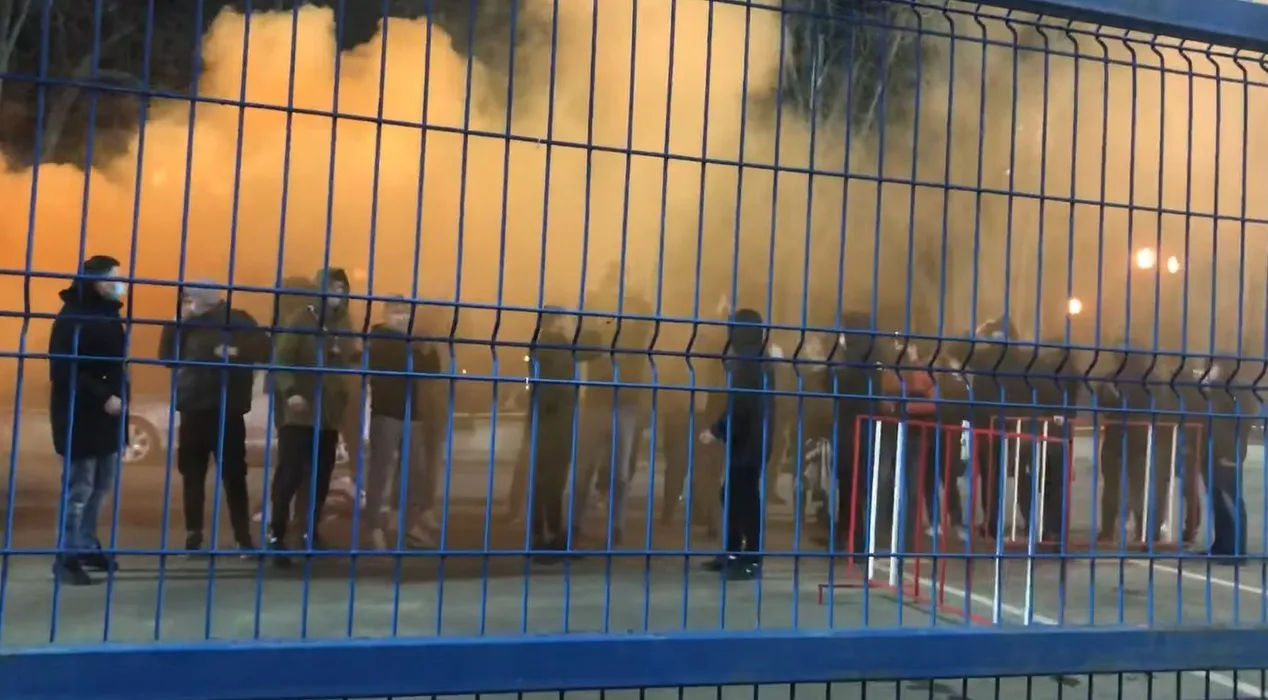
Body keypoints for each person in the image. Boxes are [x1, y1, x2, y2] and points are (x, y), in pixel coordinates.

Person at [158, 283, 269, 555]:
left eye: (190, 298)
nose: (187, 304)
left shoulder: (238, 320)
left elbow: (265, 349)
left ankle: (242, 536)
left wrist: (234, 352)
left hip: (227, 408)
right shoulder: (184, 324)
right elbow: (167, 357)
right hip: (193, 407)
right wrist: (174, 325)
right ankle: (194, 534)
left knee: (234, 476)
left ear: (205, 299)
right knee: (192, 474)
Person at [267, 267, 358, 566]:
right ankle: (277, 536)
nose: (338, 295)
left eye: (342, 289)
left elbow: (347, 359)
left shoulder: (343, 324)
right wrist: (291, 391)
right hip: (300, 413)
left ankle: (308, 532)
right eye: (333, 288)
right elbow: (282, 360)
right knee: (289, 476)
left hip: (329, 414)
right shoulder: (301, 319)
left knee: (319, 477)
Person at [48, 254, 129, 585]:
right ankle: (66, 555)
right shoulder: (73, 317)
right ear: (97, 282)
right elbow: (64, 368)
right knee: (79, 488)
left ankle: (85, 543)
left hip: (107, 417)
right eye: (114, 278)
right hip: (79, 415)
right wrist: (102, 395)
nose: (120, 284)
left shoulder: (108, 314)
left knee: (100, 486)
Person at [572, 268, 654, 545]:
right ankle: (576, 523)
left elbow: (644, 321)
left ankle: (615, 526)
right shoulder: (597, 319)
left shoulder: (636, 320)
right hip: (599, 400)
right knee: (585, 469)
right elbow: (581, 348)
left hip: (623, 403)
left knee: (618, 473)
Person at [698, 308, 775, 580]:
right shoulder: (756, 358)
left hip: (748, 441)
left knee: (744, 499)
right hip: (752, 438)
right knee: (733, 495)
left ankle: (750, 558)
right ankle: (733, 553)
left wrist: (717, 430)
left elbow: (740, 404)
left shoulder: (748, 361)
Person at [362, 298, 443, 550]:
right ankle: (374, 527)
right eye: (396, 312)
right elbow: (403, 364)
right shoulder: (379, 340)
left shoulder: (411, 342)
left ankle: (405, 524)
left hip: (411, 413)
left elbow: (431, 370)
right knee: (380, 471)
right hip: (386, 412)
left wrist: (427, 349)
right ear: (386, 314)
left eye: (406, 312)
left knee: (413, 471)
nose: (402, 317)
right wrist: (417, 349)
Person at [527, 307, 601, 562]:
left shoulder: (539, 344)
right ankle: (553, 537)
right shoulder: (557, 345)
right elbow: (593, 349)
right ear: (558, 321)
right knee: (553, 481)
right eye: (567, 319)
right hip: (556, 422)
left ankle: (541, 536)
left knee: (543, 480)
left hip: (544, 420)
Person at [1191, 358, 1250, 562]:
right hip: (1212, 451)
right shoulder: (1215, 390)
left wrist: (1233, 454)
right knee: (1218, 501)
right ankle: (1222, 545)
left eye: (1213, 366)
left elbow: (1239, 425)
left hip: (1227, 453)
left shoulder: (1236, 391)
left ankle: (1236, 550)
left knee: (1230, 500)